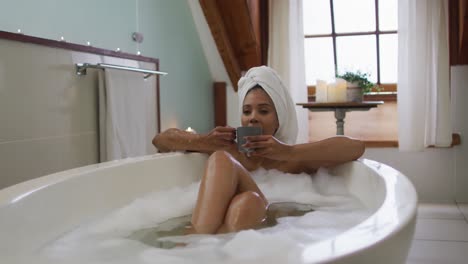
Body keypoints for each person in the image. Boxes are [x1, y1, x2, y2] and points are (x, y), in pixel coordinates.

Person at [152, 66, 365, 235]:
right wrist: (203, 141)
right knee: (239, 190)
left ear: (279, 118)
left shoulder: (293, 158)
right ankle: (197, 247)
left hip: (270, 230)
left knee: (241, 191)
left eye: (263, 111)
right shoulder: (229, 149)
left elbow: (355, 147)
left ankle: (190, 246)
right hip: (244, 226)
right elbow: (161, 140)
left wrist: (287, 152)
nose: (252, 116)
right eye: (246, 111)